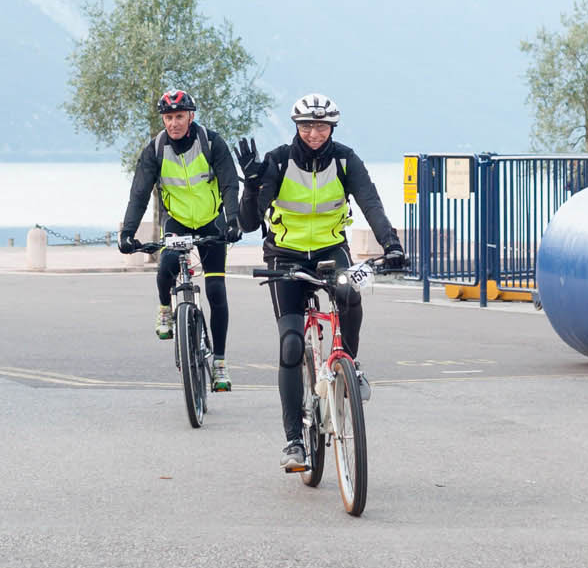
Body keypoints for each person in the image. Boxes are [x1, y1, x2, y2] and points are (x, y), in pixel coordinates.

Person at [238, 93, 407, 472]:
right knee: (291, 343)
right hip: (285, 256)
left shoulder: (346, 161)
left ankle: (350, 365)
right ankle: (294, 442)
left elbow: (371, 204)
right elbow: (247, 223)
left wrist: (392, 245)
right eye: (306, 126)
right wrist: (251, 186)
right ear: (296, 126)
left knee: (349, 294)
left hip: (331, 252)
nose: (314, 133)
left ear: (332, 128)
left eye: (321, 126)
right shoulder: (278, 161)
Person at [117, 89, 244, 391]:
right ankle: (165, 308)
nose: (173, 123)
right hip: (177, 222)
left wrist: (233, 220)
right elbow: (139, 193)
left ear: (191, 116)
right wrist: (128, 233)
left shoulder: (211, 143)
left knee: (216, 290)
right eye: (168, 117)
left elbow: (229, 184)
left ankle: (220, 363)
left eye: (179, 116)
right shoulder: (155, 149)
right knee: (166, 267)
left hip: (212, 223)